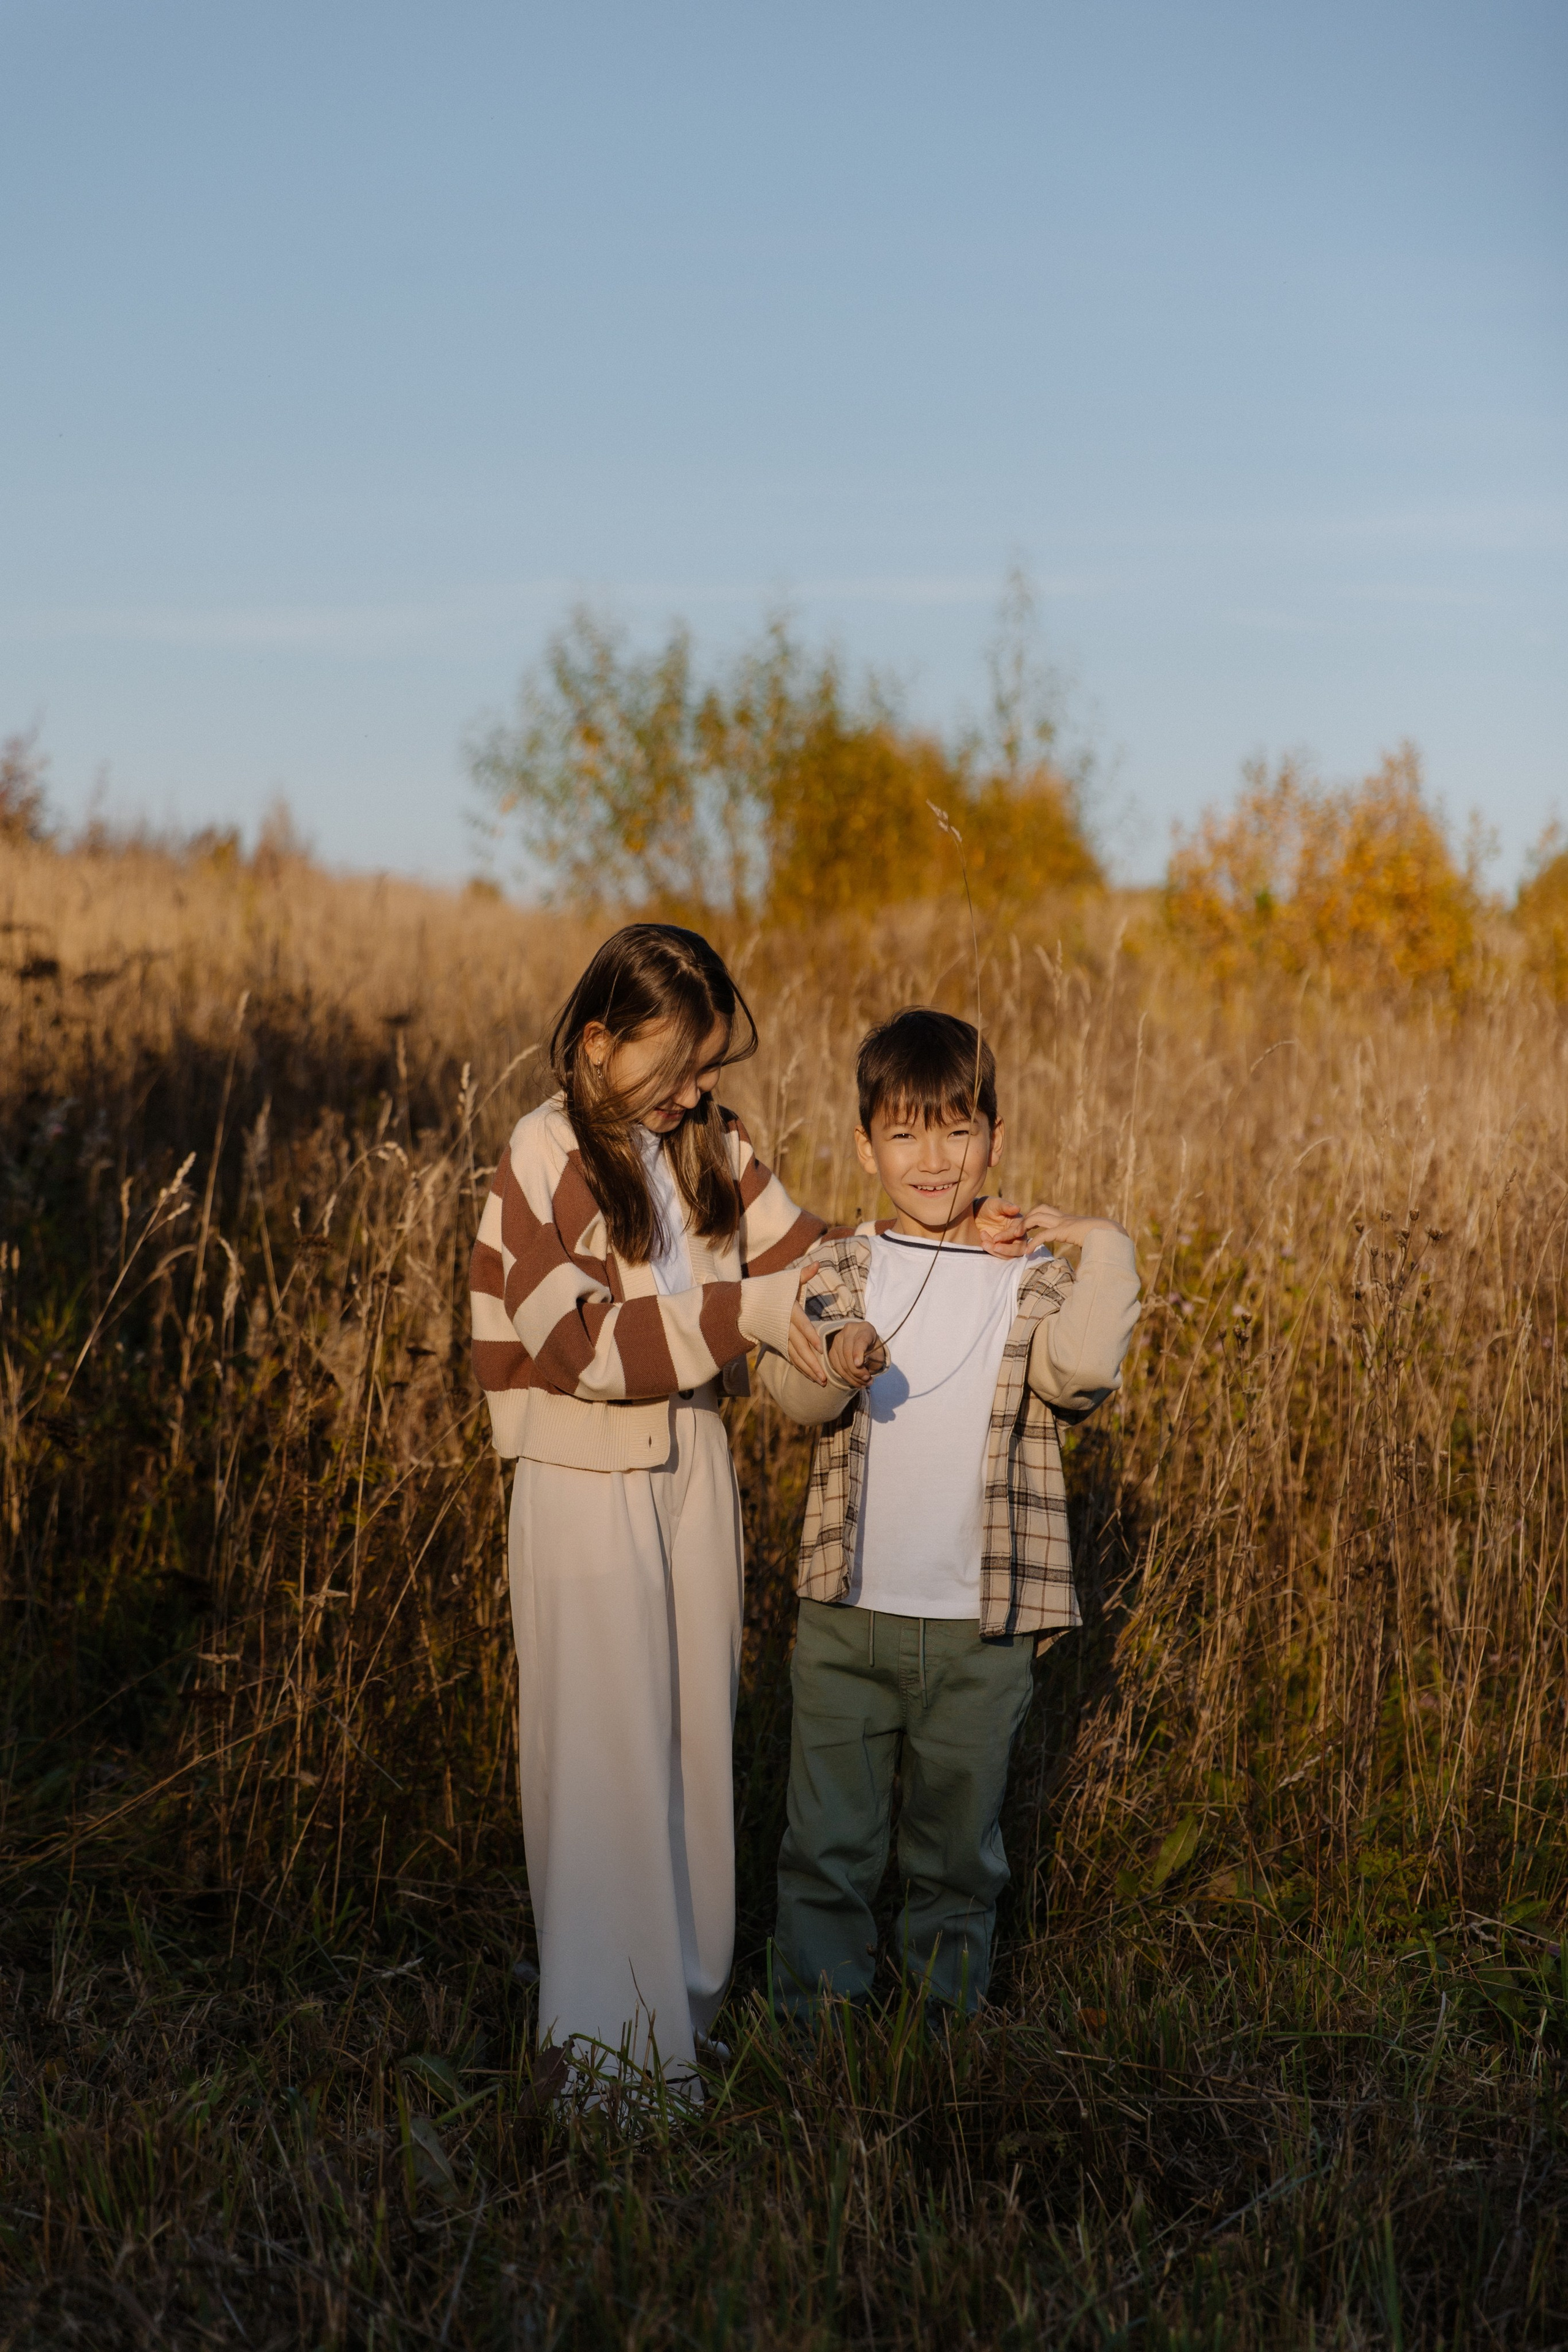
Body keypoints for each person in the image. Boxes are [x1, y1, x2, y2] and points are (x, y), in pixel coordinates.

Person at [468, 922, 835, 2095]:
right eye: (681, 1066)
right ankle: (606, 2062)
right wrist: (749, 1317)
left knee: (690, 1747)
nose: (703, 1088)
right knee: (603, 1764)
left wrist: (942, 1241)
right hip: (582, 1484)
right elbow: (577, 1346)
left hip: (693, 1468)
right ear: (595, 1044)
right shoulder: (540, 1155)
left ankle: (679, 2019)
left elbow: (808, 1263)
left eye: (712, 1064)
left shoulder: (710, 1145)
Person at [753, 1006, 1141, 2019]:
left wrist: (1103, 1245)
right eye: (906, 1132)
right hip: (846, 1615)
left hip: (980, 1627)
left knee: (956, 1855)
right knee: (827, 1845)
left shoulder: (1028, 1280)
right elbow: (790, 1394)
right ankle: (811, 2031)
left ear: (995, 1140)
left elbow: (1084, 1374)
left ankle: (941, 2040)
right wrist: (835, 1359)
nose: (934, 1158)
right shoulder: (840, 1268)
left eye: (959, 1129)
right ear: (866, 1144)